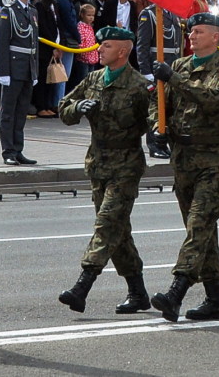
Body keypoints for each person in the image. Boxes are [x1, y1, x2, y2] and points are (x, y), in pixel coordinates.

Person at [148, 12, 219, 322]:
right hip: (184, 158)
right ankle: (215, 300)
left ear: (216, 36)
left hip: (214, 159)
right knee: (203, 232)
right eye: (191, 31)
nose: (193, 36)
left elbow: (213, 99)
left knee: (199, 225)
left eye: (200, 31)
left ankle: (176, 291)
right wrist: (157, 127)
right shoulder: (179, 66)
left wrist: (173, 78)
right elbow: (159, 102)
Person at [56, 27, 153, 315]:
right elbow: (63, 107)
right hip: (98, 163)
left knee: (107, 225)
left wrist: (159, 135)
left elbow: (154, 119)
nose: (100, 50)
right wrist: (78, 108)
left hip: (125, 164)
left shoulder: (138, 86)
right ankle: (138, 292)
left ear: (123, 51)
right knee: (118, 232)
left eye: (107, 46)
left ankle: (82, 286)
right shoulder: (94, 79)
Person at [0, 0, 40, 166]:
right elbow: (1, 44)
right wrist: (3, 72)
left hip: (27, 68)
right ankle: (8, 151)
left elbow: (34, 44)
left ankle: (18, 149)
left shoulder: (32, 11)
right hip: (13, 68)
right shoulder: (8, 12)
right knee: (8, 112)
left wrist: (35, 70)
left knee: (21, 111)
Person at [133, 4, 182, 158]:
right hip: (156, 66)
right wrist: (146, 72)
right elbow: (142, 45)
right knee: (156, 108)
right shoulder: (149, 14)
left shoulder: (172, 13)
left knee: (167, 107)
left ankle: (164, 142)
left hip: (171, 66)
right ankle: (154, 145)